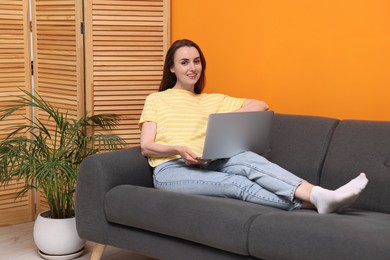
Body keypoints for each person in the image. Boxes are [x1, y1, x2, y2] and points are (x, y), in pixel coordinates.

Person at [139, 39, 368, 214]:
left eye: (197, 61)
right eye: (184, 62)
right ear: (171, 68)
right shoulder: (157, 99)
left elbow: (261, 105)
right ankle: (316, 202)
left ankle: (320, 194)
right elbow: (146, 146)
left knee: (248, 160)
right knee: (237, 184)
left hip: (209, 162)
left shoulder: (212, 100)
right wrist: (178, 149)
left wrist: (222, 118)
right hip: (172, 170)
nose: (192, 68)